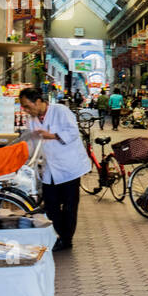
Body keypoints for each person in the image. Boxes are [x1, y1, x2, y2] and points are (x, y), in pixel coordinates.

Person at [18, 88, 93, 252]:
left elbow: (73, 132)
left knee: (69, 206)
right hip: (49, 168)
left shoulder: (60, 111)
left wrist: (51, 135)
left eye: (27, 106)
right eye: (24, 107)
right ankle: (60, 233)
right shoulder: (32, 120)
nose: (26, 110)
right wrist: (21, 160)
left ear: (38, 101)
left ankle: (66, 239)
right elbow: (31, 143)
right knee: (51, 205)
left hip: (69, 167)